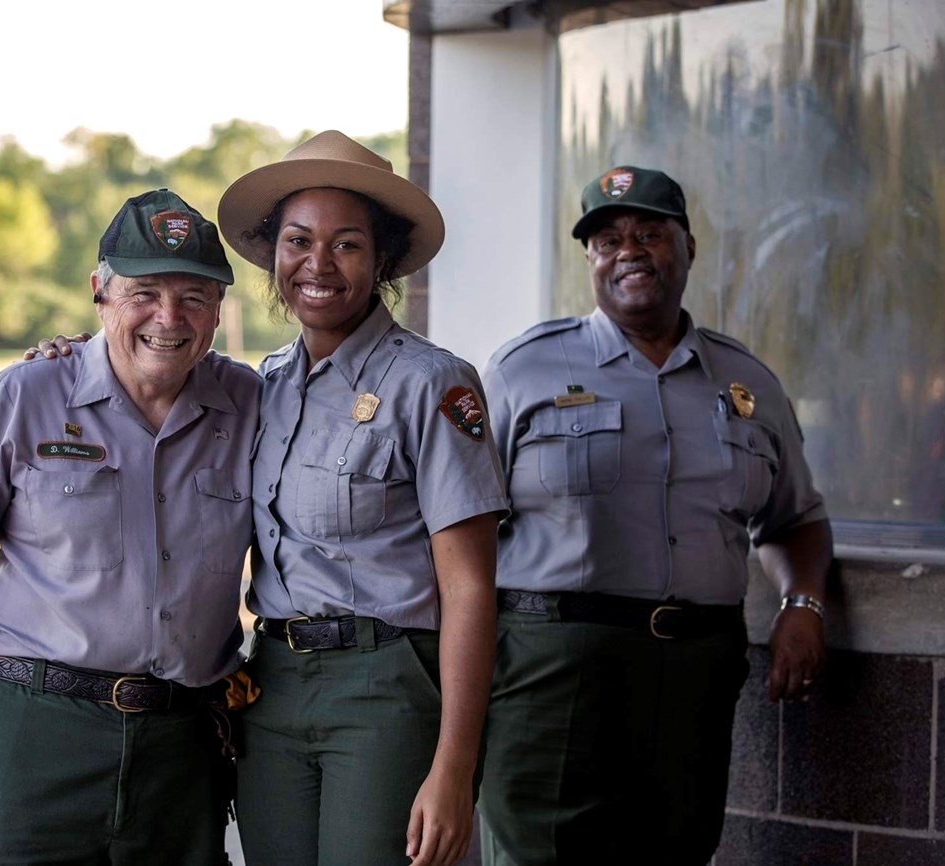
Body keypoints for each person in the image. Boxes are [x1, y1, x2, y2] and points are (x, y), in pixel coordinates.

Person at [476, 166, 832, 865]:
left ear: (689, 248)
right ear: (589, 260)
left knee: (677, 852)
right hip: (550, 669)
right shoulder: (524, 370)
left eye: (649, 234)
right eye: (607, 240)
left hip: (695, 670)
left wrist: (804, 604)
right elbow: (460, 531)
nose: (628, 251)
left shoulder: (748, 382)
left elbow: (795, 518)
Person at [0, 189, 258, 866]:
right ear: (100, 293)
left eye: (194, 295)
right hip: (36, 731)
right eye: (144, 292)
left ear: (219, 309)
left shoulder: (252, 403)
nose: (169, 316)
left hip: (184, 743)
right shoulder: (25, 394)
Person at [216, 130, 509, 866]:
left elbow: (471, 589)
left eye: (345, 244)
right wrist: (66, 356)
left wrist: (454, 767)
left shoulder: (432, 383)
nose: (317, 264)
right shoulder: (263, 385)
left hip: (387, 689)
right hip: (272, 687)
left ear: (381, 261)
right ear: (272, 254)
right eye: (297, 240)